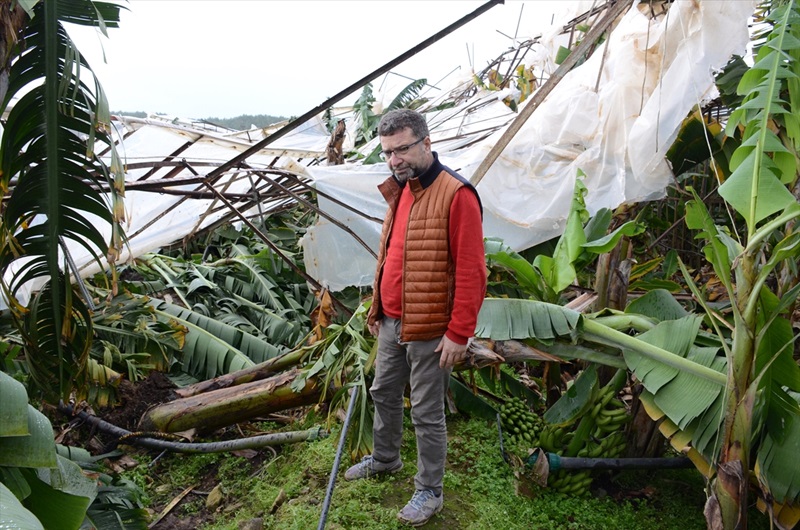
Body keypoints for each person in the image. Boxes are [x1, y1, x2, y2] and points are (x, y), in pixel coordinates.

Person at [344, 109, 486, 526]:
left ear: (426, 142)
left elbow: (472, 271)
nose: (394, 160)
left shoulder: (456, 194)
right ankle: (385, 458)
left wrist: (459, 333)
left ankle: (430, 491)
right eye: (388, 153)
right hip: (391, 321)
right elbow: (391, 254)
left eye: (402, 149)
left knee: (426, 411)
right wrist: (377, 308)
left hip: (429, 328)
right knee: (383, 393)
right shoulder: (403, 189)